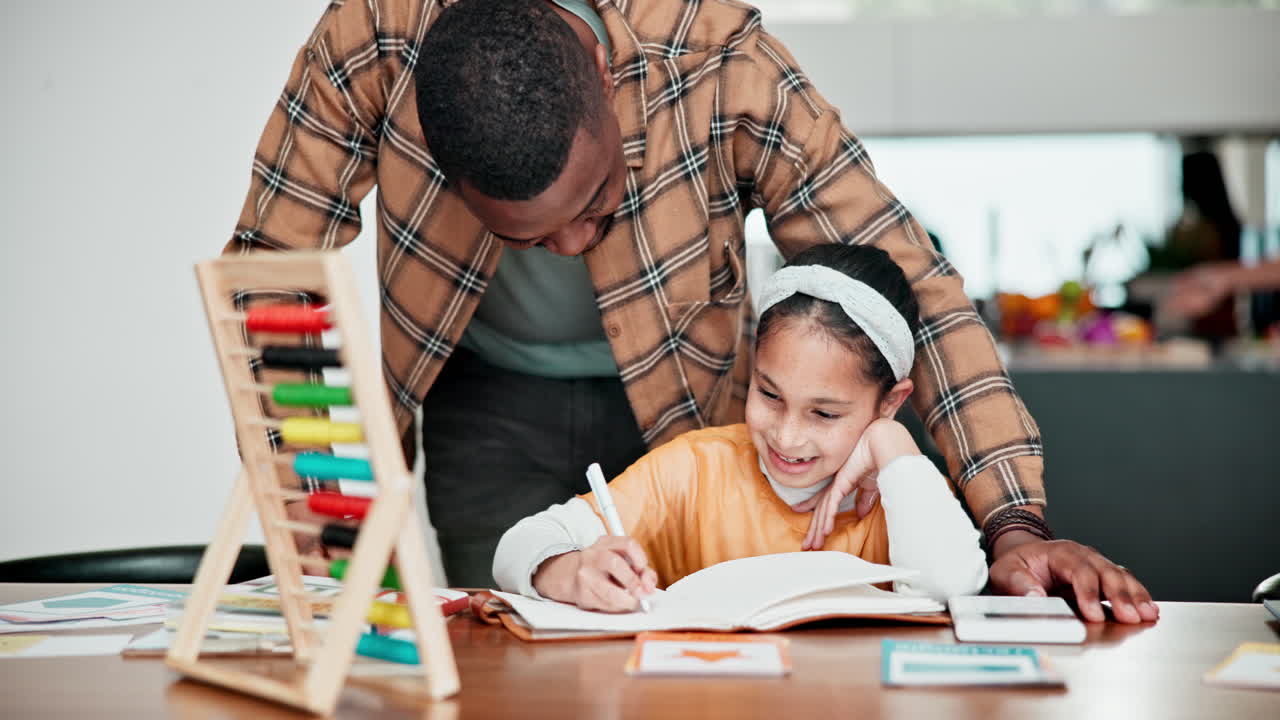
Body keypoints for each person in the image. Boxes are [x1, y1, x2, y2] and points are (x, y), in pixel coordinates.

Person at [225, 0, 1157, 623]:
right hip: (487, 399)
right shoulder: (370, 41)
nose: (573, 248)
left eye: (595, 203)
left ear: (596, 66)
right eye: (527, 235)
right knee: (515, 655)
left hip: (688, 411)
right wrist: (323, 529)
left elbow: (916, 286)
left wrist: (1014, 526)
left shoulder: (720, 59)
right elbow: (271, 275)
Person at [493, 244, 988, 609]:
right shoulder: (693, 468)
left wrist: (891, 440)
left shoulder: (906, 489)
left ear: (890, 402)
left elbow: (952, 585)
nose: (787, 436)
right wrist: (572, 571)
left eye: (824, 413)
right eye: (769, 395)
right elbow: (517, 546)